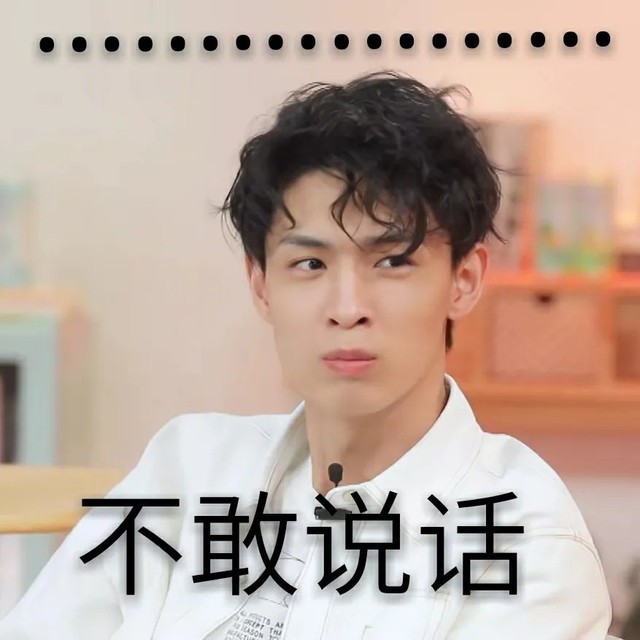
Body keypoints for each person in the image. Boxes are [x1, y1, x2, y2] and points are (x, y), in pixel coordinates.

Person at [0, 70, 612, 639]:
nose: (347, 308)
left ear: (464, 279)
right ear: (261, 284)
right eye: (310, 263)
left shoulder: (523, 544)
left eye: (392, 261)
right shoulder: (188, 470)